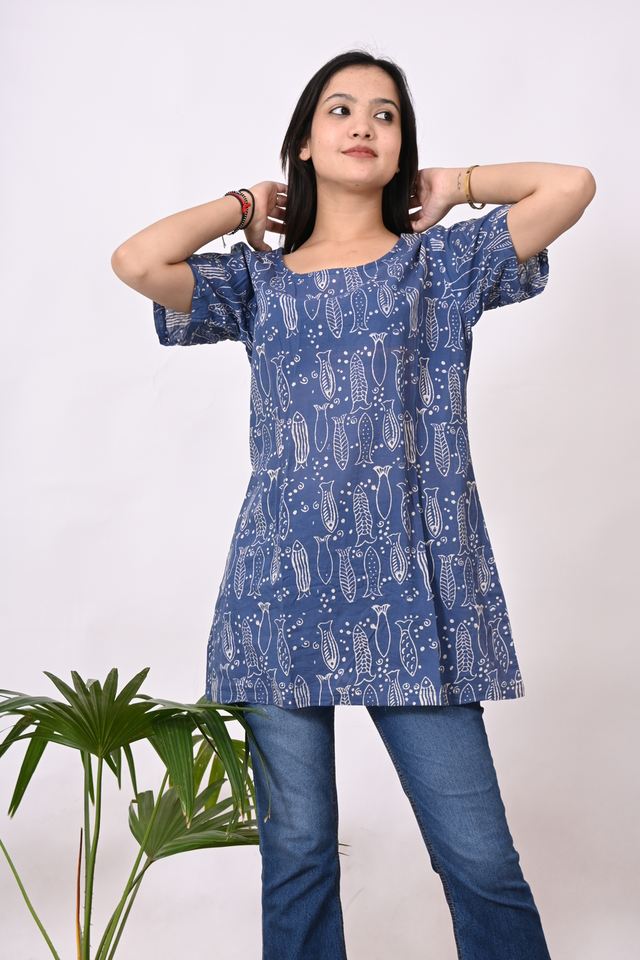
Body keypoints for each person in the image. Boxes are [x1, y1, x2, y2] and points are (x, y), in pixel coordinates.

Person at [111, 48, 595, 960]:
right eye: (340, 109)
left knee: (480, 861)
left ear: (403, 144)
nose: (364, 125)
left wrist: (458, 184)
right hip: (276, 603)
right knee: (296, 861)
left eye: (385, 113)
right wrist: (247, 204)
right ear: (304, 139)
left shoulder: (442, 266)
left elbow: (571, 186)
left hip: (413, 602)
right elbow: (137, 260)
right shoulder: (255, 282)